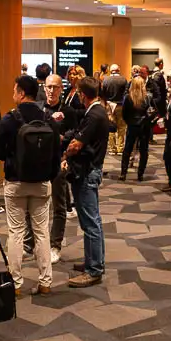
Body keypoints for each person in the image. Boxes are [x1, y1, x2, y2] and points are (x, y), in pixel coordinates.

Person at [0, 74, 59, 295]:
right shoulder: (48, 118)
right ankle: (45, 282)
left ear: (21, 93)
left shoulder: (10, 118)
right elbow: (57, 152)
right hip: (42, 183)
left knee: (16, 232)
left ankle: (16, 284)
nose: (13, 95)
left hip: (15, 183)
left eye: (14, 91)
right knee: (41, 232)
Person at [62, 75, 108, 287]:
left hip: (87, 171)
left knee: (90, 222)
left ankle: (94, 270)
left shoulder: (94, 115)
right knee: (91, 221)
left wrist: (65, 155)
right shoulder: (97, 111)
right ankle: (94, 261)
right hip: (90, 170)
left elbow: (76, 145)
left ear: (82, 94)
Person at [41, 74, 78, 264]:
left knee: (59, 206)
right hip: (39, 164)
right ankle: (32, 243)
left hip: (59, 163)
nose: (52, 90)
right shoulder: (39, 109)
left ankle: (55, 245)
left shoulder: (69, 111)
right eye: (49, 87)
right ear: (44, 88)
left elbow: (75, 133)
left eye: (55, 87)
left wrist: (63, 138)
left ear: (61, 89)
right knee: (36, 206)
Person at [120, 76, 155, 181]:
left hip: (132, 126)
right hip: (144, 126)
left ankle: (123, 173)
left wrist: (129, 122)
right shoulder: (148, 97)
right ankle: (140, 174)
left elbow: (124, 114)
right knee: (144, 151)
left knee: (127, 149)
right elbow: (154, 111)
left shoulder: (127, 97)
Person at [102, 64, 129, 155]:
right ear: (119, 70)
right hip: (121, 105)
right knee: (121, 127)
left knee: (110, 127)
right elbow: (126, 93)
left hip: (109, 106)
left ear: (111, 70)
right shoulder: (123, 79)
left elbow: (103, 93)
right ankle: (120, 148)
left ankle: (112, 149)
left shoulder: (106, 80)